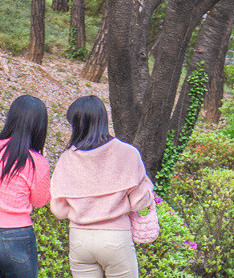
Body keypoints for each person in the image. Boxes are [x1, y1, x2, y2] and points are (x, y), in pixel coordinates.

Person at [51, 96, 156, 278]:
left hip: (79, 238)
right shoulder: (128, 153)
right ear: (103, 120)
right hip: (115, 238)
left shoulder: (67, 159)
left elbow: (58, 210)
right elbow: (140, 202)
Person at [0, 95, 51, 278]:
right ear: (39, 127)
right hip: (16, 237)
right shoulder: (36, 162)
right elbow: (40, 201)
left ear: (10, 118)